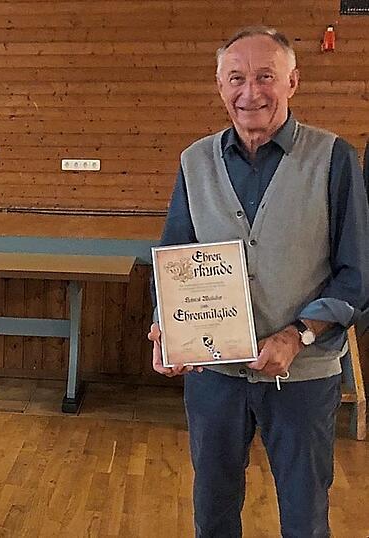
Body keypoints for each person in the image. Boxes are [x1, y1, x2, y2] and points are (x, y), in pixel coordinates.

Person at [148, 26, 369, 537]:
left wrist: (298, 335)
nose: (251, 92)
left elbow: (357, 275)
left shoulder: (334, 159)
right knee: (214, 509)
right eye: (237, 78)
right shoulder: (194, 161)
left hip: (303, 377)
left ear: (293, 80)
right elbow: (177, 257)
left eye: (266, 77)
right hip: (214, 378)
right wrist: (167, 324)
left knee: (305, 514)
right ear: (220, 86)